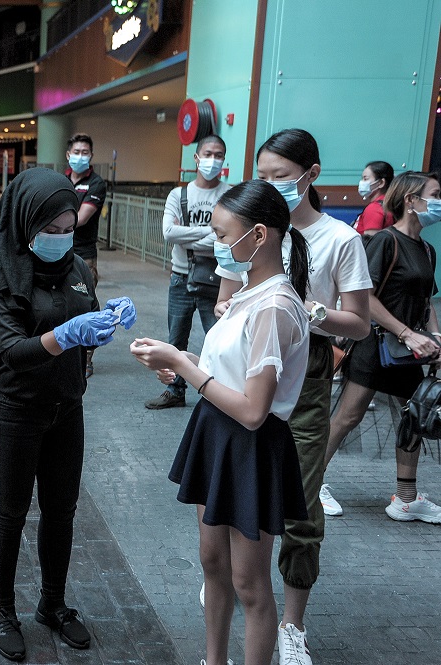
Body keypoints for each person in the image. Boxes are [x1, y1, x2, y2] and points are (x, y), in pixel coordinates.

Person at [132, 179, 311, 665]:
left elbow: (255, 410)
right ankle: (214, 659)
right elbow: (227, 371)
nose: (215, 243)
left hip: (249, 444)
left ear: (258, 235)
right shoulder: (249, 294)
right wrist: (180, 360)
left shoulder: (275, 306)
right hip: (216, 431)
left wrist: (185, 366)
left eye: (221, 232)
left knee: (249, 582)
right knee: (213, 563)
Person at [213, 129, 371, 665]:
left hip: (303, 387)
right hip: (242, 380)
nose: (271, 185)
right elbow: (227, 296)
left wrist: (308, 313)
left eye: (281, 177)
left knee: (299, 511)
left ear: (311, 175)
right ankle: (240, 594)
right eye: (265, 176)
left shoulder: (339, 240)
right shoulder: (244, 233)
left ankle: (290, 622)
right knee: (232, 517)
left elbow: (361, 324)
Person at [0, 168, 136, 661]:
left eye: (69, 230)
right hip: (15, 411)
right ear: (26, 224)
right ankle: (4, 610)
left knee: (61, 512)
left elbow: (83, 314)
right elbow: (12, 352)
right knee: (10, 513)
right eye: (52, 230)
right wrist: (67, 334)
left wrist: (106, 317)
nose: (61, 240)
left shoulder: (78, 269)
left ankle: (52, 602)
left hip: (67, 408)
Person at [322, 171, 441, 522]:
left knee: (416, 417)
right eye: (434, 194)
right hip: (378, 344)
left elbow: (426, 301)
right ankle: (310, 484)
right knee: (348, 416)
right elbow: (365, 299)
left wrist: (434, 338)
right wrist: (406, 333)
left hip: (410, 350)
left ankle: (405, 498)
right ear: (411, 200)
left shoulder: (427, 249)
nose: (438, 202)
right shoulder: (385, 242)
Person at [145, 135, 231, 409]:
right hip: (181, 278)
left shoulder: (230, 195)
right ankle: (175, 391)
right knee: (176, 338)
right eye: (208, 154)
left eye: (219, 155)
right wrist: (211, 233)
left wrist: (190, 236)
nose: (213, 160)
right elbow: (169, 233)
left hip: (216, 280)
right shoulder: (179, 194)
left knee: (219, 340)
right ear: (196, 158)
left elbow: (228, 239)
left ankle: (222, 392)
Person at [64, 133, 108, 377]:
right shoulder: (62, 179)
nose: (80, 156)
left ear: (91, 156)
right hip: (60, 251)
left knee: (85, 305)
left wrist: (51, 217)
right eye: (76, 152)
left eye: (85, 153)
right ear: (68, 155)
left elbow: (81, 219)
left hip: (84, 255)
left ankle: (87, 358)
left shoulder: (96, 183)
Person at [353, 161, 395, 238]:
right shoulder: (389, 203)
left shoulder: (374, 209)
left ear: (381, 183)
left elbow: (372, 244)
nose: (361, 182)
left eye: (365, 179)